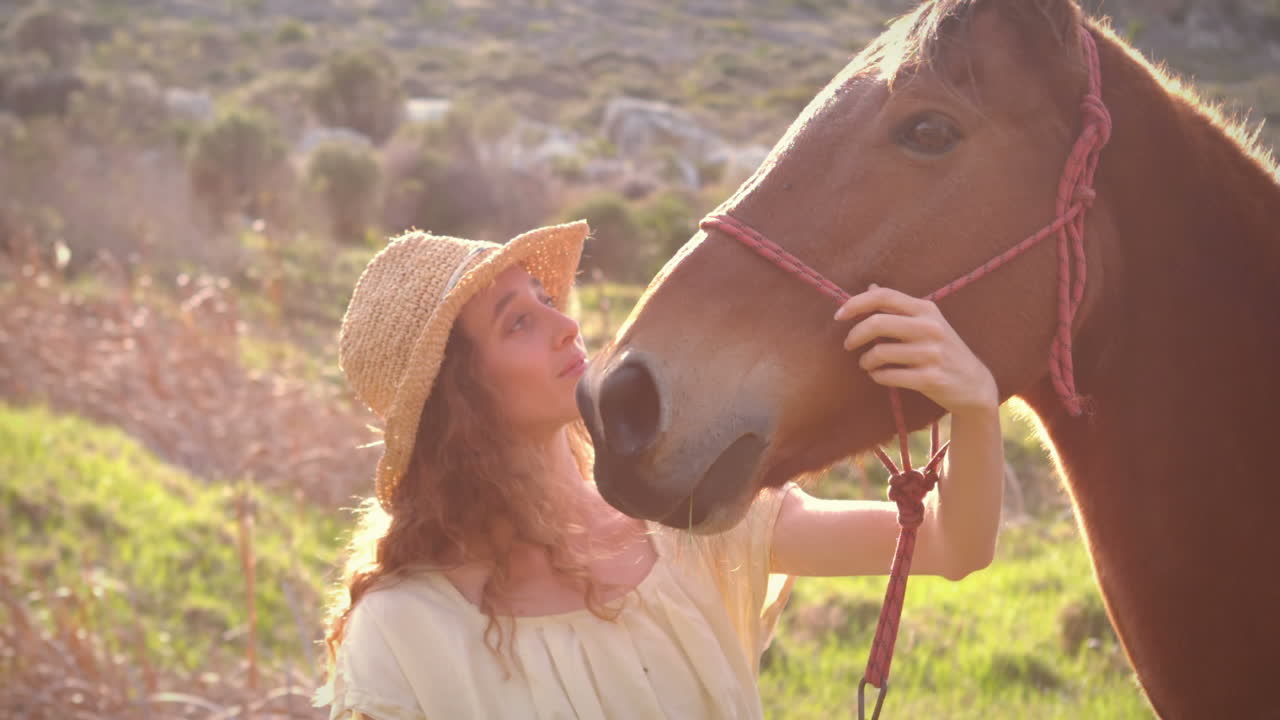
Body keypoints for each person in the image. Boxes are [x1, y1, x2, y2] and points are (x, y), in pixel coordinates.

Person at [315, 220, 1004, 719]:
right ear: (459, 398)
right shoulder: (404, 633)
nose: (565, 327)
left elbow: (949, 545)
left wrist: (975, 405)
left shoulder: (687, 517)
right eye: (517, 323)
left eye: (546, 300)